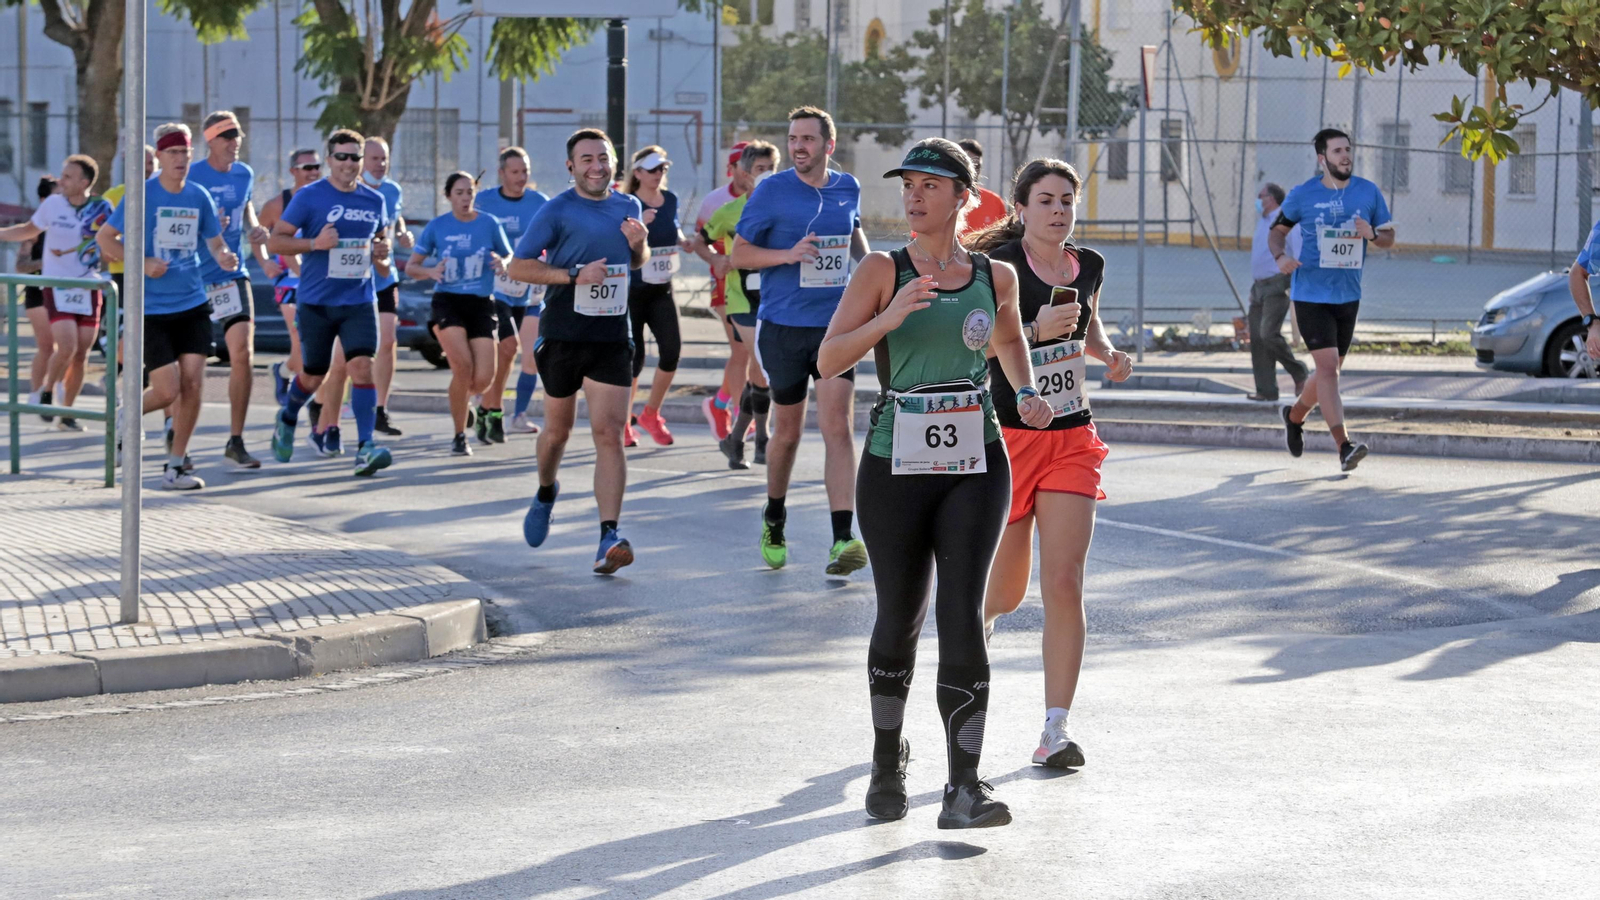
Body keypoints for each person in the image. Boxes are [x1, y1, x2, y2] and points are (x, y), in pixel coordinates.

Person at [817, 139, 1052, 828]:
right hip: (895, 463)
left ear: (963, 198)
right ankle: (886, 761)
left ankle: (963, 786)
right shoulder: (880, 269)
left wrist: (1026, 390)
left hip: (975, 462)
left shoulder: (994, 276)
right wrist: (889, 317)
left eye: (930, 185)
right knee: (899, 615)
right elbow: (828, 360)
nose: (914, 197)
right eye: (909, 185)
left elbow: (1008, 341)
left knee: (962, 612)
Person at [968, 157, 1134, 771]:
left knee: (1064, 581)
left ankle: (1054, 730)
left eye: (1067, 200)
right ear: (1021, 208)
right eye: (1046, 200)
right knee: (1006, 594)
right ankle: (976, 629)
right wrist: (1033, 330)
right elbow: (977, 344)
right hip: (1009, 438)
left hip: (1070, 436)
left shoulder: (1087, 264)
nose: (1059, 210)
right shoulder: (998, 268)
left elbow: (1086, 324)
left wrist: (1108, 353)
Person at [730, 106, 871, 575]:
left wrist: (873, 272)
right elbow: (740, 255)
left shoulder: (847, 187)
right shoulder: (771, 190)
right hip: (784, 327)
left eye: (807, 139)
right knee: (787, 433)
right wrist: (787, 255)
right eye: (793, 139)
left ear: (829, 145)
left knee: (838, 427)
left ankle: (842, 538)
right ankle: (774, 517)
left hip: (835, 327)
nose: (798, 147)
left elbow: (854, 234)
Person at [507, 128, 649, 574]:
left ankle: (609, 535)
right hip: (563, 333)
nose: (596, 166)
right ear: (571, 167)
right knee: (557, 433)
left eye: (603, 158)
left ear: (614, 163)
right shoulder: (556, 210)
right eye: (587, 159)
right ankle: (546, 490)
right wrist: (573, 275)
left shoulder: (629, 206)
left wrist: (639, 245)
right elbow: (518, 266)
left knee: (609, 432)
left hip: (612, 333)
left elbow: (637, 262)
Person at [96, 123, 238, 490]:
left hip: (192, 303)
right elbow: (105, 238)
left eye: (185, 153)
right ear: (159, 156)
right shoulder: (142, 195)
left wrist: (225, 257)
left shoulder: (198, 195)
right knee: (166, 390)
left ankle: (176, 466)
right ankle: (127, 415)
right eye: (172, 152)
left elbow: (215, 242)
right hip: (150, 308)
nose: (180, 159)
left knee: (193, 385)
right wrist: (141, 262)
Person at [265, 128, 395, 478]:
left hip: (359, 300)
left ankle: (365, 447)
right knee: (313, 374)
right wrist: (314, 244)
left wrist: (382, 254)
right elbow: (275, 242)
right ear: (329, 160)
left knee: (362, 367)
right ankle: (288, 416)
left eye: (354, 157)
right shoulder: (309, 197)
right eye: (342, 157)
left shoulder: (374, 201)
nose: (348, 164)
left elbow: (382, 257)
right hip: (317, 301)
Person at [1270, 128, 1395, 472]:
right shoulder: (1303, 195)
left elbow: (1388, 236)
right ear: (1322, 158)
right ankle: (1344, 446)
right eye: (1338, 151)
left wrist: (1373, 234)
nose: (1345, 156)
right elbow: (1277, 233)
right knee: (1328, 370)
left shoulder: (1367, 192)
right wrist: (1281, 257)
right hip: (1310, 294)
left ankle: (1294, 416)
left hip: (1348, 295)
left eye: (1348, 150)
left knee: (1329, 372)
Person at [0, 157, 113, 432]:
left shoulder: (101, 207)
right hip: (57, 286)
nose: (62, 181)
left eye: (68, 177)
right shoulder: (53, 204)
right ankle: (48, 390)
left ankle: (67, 413)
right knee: (67, 346)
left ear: (84, 182)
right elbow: (28, 230)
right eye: (63, 175)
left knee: (81, 354)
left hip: (88, 287)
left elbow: (112, 241)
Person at [406, 171, 514, 455]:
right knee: (463, 366)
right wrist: (431, 271)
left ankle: (463, 401)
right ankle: (459, 435)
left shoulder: (489, 223)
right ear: (448, 196)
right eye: (459, 193)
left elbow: (509, 254)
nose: (466, 198)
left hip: (480, 303)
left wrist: (503, 262)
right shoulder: (437, 226)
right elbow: (411, 266)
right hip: (448, 302)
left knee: (484, 379)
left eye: (470, 193)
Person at [188, 110, 270, 469]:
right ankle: (177, 437)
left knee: (242, 353)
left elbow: (246, 207)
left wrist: (255, 230)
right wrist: (206, 226)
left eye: (238, 136)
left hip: (232, 274)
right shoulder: (193, 175)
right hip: (193, 278)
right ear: (211, 140)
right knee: (190, 366)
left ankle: (236, 440)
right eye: (228, 136)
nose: (235, 142)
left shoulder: (244, 174)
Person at [702, 142, 780, 469]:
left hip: (776, 298)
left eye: (772, 169)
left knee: (762, 370)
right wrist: (717, 260)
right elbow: (702, 240)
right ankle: (762, 437)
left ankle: (736, 439)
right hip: (740, 299)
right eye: (760, 170)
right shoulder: (729, 211)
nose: (767, 175)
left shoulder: (785, 208)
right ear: (745, 175)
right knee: (762, 364)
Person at [475, 146, 550, 439]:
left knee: (515, 354)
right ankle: (491, 408)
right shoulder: (484, 201)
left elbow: (552, 238)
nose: (521, 177)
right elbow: (469, 230)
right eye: (515, 172)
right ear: (502, 173)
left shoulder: (540, 203)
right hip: (495, 288)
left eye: (525, 171)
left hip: (527, 290)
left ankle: (495, 409)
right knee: (507, 346)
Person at [621, 145, 691, 446]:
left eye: (662, 168)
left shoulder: (670, 199)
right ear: (637, 173)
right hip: (634, 291)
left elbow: (673, 227)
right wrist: (641, 228)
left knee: (672, 351)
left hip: (662, 288)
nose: (659, 174)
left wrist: (684, 241)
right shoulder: (628, 203)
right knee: (634, 359)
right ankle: (624, 421)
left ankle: (651, 413)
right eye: (652, 169)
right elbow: (616, 243)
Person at [692, 141, 751, 439]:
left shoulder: (772, 196)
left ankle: (719, 404)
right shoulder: (716, 201)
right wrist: (717, 259)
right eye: (746, 165)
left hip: (758, 285)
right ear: (732, 169)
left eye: (762, 167)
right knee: (741, 349)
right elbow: (699, 241)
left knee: (749, 351)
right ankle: (740, 413)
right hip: (726, 284)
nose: (752, 172)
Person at [260, 147, 322, 404]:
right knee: (299, 337)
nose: (313, 172)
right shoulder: (277, 204)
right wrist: (264, 261)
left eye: (317, 167)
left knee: (314, 341)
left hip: (318, 278)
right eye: (307, 168)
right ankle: (310, 396)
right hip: (289, 281)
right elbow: (257, 234)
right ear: (293, 171)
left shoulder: (325, 198)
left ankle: (284, 371)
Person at [1246, 182, 1307, 401]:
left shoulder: (1286, 220)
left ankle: (1299, 372)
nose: (1257, 200)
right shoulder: (1263, 221)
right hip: (1259, 286)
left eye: (1260, 195)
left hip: (1278, 284)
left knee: (1268, 333)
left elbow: (1298, 252)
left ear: (1271, 198)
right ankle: (1266, 390)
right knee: (1257, 337)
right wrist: (1254, 287)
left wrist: (1297, 282)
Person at [15, 175, 58, 419]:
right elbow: (20, 266)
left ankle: (57, 392)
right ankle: (35, 392)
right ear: (43, 200)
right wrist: (47, 263)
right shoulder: (35, 230)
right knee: (47, 345)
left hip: (64, 293)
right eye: (56, 196)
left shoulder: (69, 225)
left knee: (70, 347)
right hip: (37, 294)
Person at [955, 139, 1008, 236]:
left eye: (976, 166)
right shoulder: (941, 201)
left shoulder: (995, 202)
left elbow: (1004, 238)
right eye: (966, 166)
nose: (972, 172)